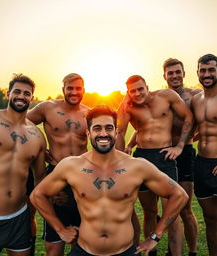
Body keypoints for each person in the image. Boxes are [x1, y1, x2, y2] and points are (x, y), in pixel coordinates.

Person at [30, 105, 189, 256]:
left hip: (124, 251)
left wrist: (155, 236)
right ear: (88, 133)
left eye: (109, 128)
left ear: (116, 132)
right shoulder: (72, 166)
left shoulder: (137, 166)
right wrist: (60, 230)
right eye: (97, 128)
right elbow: (38, 195)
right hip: (84, 251)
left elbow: (179, 195)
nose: (103, 133)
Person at [116, 75, 193, 256]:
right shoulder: (129, 107)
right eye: (132, 91)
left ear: (147, 86)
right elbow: (120, 130)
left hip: (164, 157)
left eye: (140, 89)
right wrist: (123, 104)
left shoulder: (166, 96)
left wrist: (180, 146)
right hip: (142, 158)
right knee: (149, 212)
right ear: (128, 92)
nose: (137, 93)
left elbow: (189, 116)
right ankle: (151, 253)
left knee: (172, 215)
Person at [0, 74, 46, 256]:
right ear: (8, 94)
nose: (21, 96)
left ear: (32, 98)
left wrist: (31, 216)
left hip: (19, 219)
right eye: (17, 92)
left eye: (27, 93)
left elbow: (40, 180)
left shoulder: (37, 136)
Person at [27, 73, 89, 256]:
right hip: (56, 174)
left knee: (81, 238)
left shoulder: (89, 113)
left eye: (78, 88)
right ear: (63, 89)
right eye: (70, 88)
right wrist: (40, 149)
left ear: (84, 90)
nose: (74, 92)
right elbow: (22, 125)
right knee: (54, 246)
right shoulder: (47, 108)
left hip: (82, 175)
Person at [191, 54, 217, 256]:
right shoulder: (196, 99)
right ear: (198, 72)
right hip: (202, 165)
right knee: (210, 220)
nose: (206, 74)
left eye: (211, 70)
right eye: (203, 70)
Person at [163, 58, 200, 256]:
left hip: (185, 153)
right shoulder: (162, 98)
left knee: (185, 209)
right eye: (170, 73)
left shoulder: (196, 97)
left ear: (184, 73)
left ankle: (192, 252)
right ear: (165, 76)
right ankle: (172, 250)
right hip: (164, 154)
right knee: (169, 208)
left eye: (178, 72)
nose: (175, 76)